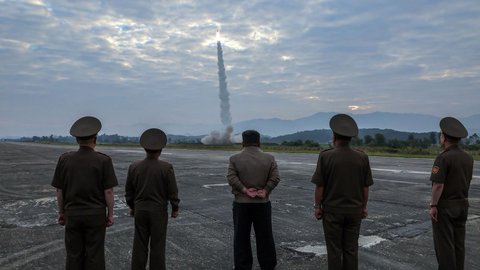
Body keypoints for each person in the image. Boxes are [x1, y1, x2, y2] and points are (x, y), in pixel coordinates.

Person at [51, 116, 118, 270]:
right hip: (95, 215)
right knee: (95, 256)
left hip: (72, 214)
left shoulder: (64, 160)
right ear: (95, 139)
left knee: (74, 255)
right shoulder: (103, 161)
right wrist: (110, 214)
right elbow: (108, 191)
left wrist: (62, 212)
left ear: (77, 140)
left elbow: (59, 190)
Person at [311, 114, 373, 270]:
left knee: (334, 251)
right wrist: (364, 207)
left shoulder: (326, 156)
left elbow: (320, 186)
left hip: (332, 211)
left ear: (334, 136)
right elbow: (365, 187)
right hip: (354, 210)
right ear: (350, 138)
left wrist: (317, 206)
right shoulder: (362, 157)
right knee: (351, 250)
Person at [125, 128, 180, 270]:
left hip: (140, 210)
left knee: (139, 245)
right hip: (158, 212)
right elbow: (172, 191)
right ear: (161, 149)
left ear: (145, 149)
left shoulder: (134, 166)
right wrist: (175, 208)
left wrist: (132, 206)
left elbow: (129, 192)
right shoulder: (166, 167)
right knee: (158, 246)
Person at [227, 130, 280, 270]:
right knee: (265, 236)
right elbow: (275, 178)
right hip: (262, 203)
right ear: (259, 141)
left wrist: (244, 190)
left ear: (243, 142)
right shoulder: (270, 158)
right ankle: (268, 265)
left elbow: (231, 178)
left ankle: (243, 266)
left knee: (241, 238)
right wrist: (266, 190)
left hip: (241, 204)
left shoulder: (234, 159)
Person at [429, 117, 473, 270]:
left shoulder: (443, 158)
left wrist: (433, 205)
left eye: (441, 134)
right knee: (458, 245)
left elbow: (438, 185)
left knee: (445, 246)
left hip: (446, 208)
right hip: (463, 206)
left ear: (445, 137)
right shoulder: (468, 157)